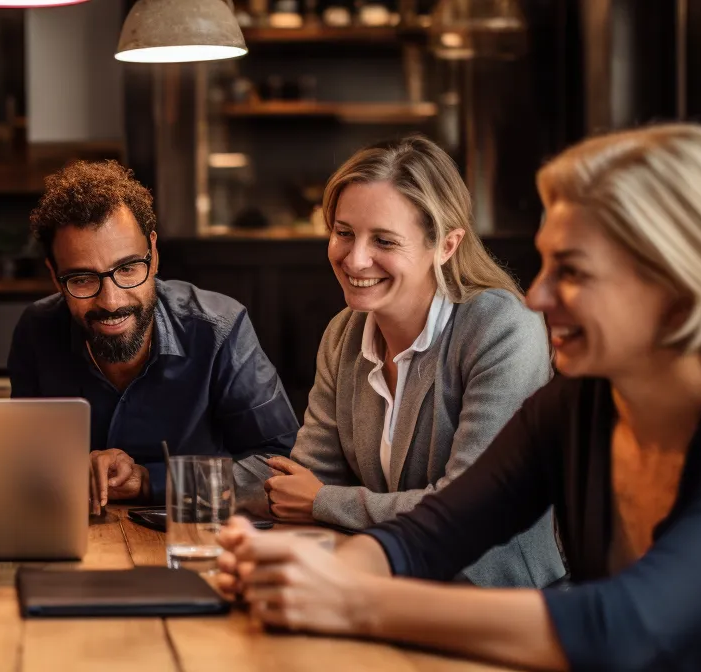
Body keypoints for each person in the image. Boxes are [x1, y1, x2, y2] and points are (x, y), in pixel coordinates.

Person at [216, 124, 701, 670]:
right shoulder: (578, 407)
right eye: (546, 264)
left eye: (572, 272)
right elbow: (427, 535)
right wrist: (292, 574)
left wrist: (348, 598)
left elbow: (629, 624)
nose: (536, 297)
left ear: (680, 287)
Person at [238, 136, 564, 588]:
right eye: (343, 232)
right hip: (388, 580)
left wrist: (324, 503)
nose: (355, 258)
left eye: (384, 240)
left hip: (492, 595)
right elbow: (302, 479)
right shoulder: (344, 332)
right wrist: (153, 482)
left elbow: (470, 507)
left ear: (447, 246)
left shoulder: (503, 328)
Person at [7, 160, 298, 510]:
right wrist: (70, 471)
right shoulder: (36, 330)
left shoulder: (219, 328)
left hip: (193, 543)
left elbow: (281, 467)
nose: (111, 301)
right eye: (82, 279)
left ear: (154, 254)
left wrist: (151, 481)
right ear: (55, 276)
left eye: (128, 269)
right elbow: (23, 463)